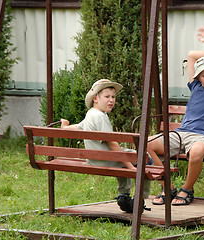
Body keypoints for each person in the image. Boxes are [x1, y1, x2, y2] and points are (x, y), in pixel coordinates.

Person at [147, 25, 204, 206]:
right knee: (146, 144)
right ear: (198, 78)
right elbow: (192, 55)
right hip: (182, 134)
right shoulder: (194, 87)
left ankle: (186, 189)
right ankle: (167, 186)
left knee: (195, 152)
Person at [60, 79, 151, 213]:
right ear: (95, 98)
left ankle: (124, 195)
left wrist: (64, 127)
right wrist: (131, 168)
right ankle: (139, 200)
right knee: (142, 158)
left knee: (126, 155)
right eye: (107, 97)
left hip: (93, 159)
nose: (111, 100)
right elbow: (112, 143)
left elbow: (78, 127)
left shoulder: (91, 113)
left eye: (113, 97)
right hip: (106, 159)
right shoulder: (100, 117)